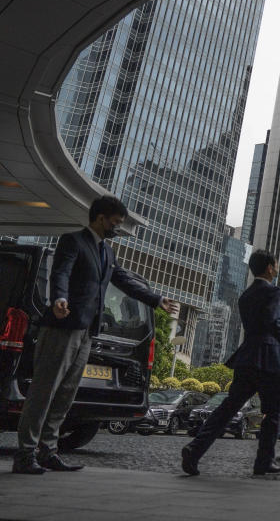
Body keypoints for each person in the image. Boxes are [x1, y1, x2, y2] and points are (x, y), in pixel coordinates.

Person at [13, 195, 178, 475]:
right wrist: (59, 299)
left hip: (87, 331)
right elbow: (61, 273)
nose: (117, 228)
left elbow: (123, 279)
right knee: (44, 391)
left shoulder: (106, 252)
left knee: (65, 394)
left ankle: (48, 451)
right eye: (115, 223)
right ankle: (25, 454)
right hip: (62, 328)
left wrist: (155, 299)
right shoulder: (73, 241)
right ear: (100, 218)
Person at [181, 249, 280, 476]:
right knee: (275, 411)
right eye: (276, 265)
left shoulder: (245, 295)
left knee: (227, 409)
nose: (277, 268)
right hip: (268, 361)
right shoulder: (272, 291)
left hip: (247, 358)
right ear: (269, 268)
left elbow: (262, 326)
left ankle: (194, 449)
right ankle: (264, 461)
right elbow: (272, 323)